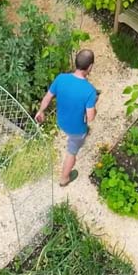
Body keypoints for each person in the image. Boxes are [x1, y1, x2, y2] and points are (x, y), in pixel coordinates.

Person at [35, 49, 97, 187]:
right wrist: (95, 108)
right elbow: (91, 117)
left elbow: (47, 97)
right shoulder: (90, 91)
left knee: (73, 137)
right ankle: (64, 178)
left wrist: (41, 111)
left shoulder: (61, 78)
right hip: (76, 129)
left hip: (61, 121)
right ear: (90, 67)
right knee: (72, 152)